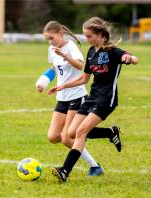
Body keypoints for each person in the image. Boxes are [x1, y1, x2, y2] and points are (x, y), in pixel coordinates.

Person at [48, 17, 139, 182]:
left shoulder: (113, 51)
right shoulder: (91, 52)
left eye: (89, 36)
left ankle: (65, 171)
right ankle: (110, 132)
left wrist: (129, 59)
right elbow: (84, 79)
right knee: (71, 132)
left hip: (106, 99)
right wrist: (63, 86)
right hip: (92, 97)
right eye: (85, 35)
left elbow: (133, 58)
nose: (86, 39)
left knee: (81, 131)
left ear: (100, 34)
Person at [36, 21, 105, 176]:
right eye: (48, 39)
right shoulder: (51, 49)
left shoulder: (71, 47)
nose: (50, 42)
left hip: (77, 96)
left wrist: (65, 56)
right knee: (53, 137)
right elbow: (54, 68)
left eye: (52, 38)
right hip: (62, 96)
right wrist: (43, 82)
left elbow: (81, 66)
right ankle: (94, 134)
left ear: (60, 34)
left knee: (68, 138)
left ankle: (95, 166)